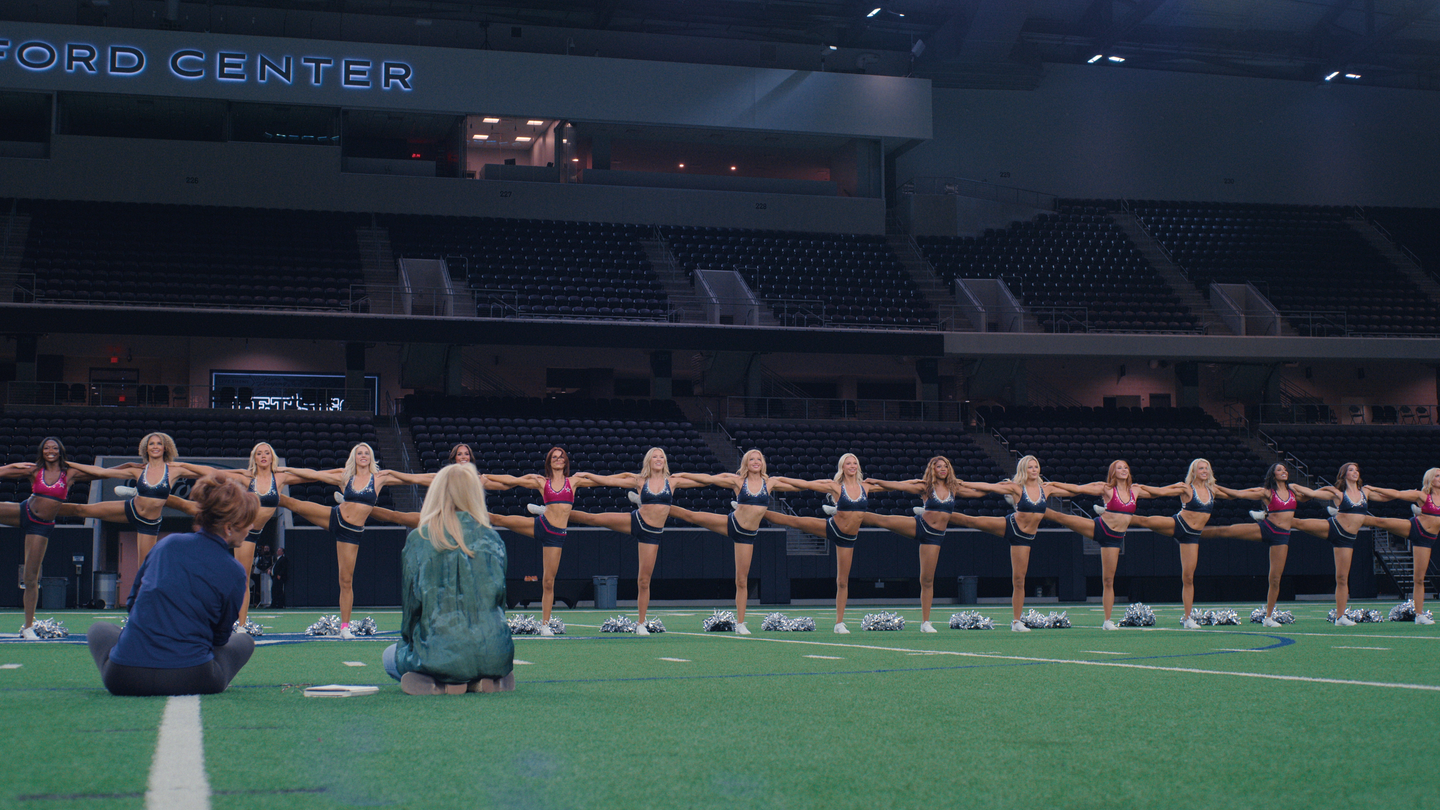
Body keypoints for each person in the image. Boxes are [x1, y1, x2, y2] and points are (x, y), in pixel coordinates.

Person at [86, 475, 258, 696]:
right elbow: (220, 638)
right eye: (247, 522)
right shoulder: (235, 571)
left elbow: (132, 604)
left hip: (123, 677)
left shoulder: (167, 544)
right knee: (244, 640)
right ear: (228, 528)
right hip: (194, 677)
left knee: (99, 629)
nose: (251, 527)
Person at [382, 464, 515, 695]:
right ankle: (484, 678)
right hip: (495, 651)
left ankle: (444, 682)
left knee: (388, 657)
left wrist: (410, 644)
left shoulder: (419, 538)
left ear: (436, 493)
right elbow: (500, 602)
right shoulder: (494, 539)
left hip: (438, 651)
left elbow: (411, 613)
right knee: (482, 654)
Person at [565, 448, 706, 634]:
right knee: (594, 518)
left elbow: (703, 480)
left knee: (644, 580)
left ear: (665, 461)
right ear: (649, 460)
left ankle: (640, 624)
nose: (658, 459)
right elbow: (609, 481)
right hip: (636, 521)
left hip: (652, 533)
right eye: (655, 456)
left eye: (661, 457)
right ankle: (554, 513)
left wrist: (728, 480)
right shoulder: (640, 480)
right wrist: (587, 474)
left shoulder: (672, 481)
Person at [670, 449, 807, 634]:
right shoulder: (738, 481)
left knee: (741, 580)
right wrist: (682, 475)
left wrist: (818, 486)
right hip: (731, 523)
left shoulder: (770, 482)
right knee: (692, 516)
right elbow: (709, 479)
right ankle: (653, 503)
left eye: (759, 459)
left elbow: (797, 485)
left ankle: (740, 623)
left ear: (763, 463)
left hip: (747, 535)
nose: (756, 462)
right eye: (752, 459)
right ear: (746, 463)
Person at [278, 443, 407, 638]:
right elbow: (313, 474)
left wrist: (442, 478)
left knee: (345, 580)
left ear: (371, 457)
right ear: (354, 457)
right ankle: (259, 492)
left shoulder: (379, 478)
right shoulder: (345, 475)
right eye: (359, 453)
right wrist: (281, 470)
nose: (363, 456)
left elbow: (412, 479)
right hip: (334, 516)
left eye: (366, 453)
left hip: (351, 532)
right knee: (294, 503)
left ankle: (344, 628)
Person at [170, 443, 307, 627]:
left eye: (267, 453)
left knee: (241, 578)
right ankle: (149, 496)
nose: (263, 456)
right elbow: (213, 472)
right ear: (254, 458)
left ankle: (240, 626)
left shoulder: (280, 478)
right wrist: (183, 466)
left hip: (251, 533)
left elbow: (313, 475)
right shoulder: (248, 477)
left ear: (272, 457)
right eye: (259, 453)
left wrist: (344, 474)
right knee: (192, 508)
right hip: (237, 527)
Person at [0, 439, 122, 639]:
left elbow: (102, 473)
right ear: (42, 451)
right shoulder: (34, 471)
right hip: (24, 511)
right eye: (47, 448)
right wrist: (9, 466)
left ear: (60, 451)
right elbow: (6, 471)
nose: (50, 451)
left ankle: (28, 627)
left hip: (40, 525)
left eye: (55, 448)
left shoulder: (69, 473)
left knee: (30, 578)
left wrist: (131, 469)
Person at [862, 456, 989, 633]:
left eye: (946, 466)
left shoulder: (954, 487)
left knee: (927, 579)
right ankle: (844, 511)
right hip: (919, 525)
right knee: (883, 520)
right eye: (939, 466)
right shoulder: (926, 486)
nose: (943, 469)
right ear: (933, 469)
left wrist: (997, 488)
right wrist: (876, 480)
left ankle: (925, 622)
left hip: (934, 537)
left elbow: (978, 493)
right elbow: (899, 486)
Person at [1041, 460, 1172, 630]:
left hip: (1114, 539)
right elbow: (1077, 489)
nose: (1124, 470)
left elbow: (1159, 493)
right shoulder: (1106, 488)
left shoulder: (1136, 489)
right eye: (1119, 468)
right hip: (1099, 527)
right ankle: (1033, 505)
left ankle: (1107, 621)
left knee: (1108, 580)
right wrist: (1051, 484)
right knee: (1062, 518)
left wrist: (1181, 488)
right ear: (1113, 472)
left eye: (1126, 467)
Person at [58, 432, 210, 567]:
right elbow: (102, 472)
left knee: (144, 569)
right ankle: (45, 508)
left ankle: (142, 598)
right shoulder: (139, 470)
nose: (155, 446)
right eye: (151, 444)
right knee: (81, 509)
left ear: (165, 448)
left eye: (159, 444)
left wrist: (184, 464)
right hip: (131, 509)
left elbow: (211, 473)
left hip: (149, 523)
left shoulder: (175, 470)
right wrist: (68, 463)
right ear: (146, 448)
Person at [758, 453, 871, 634]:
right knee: (795, 521)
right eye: (848, 463)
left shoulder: (866, 486)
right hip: (833, 527)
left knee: (842, 581)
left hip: (848, 538)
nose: (852, 465)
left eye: (855, 463)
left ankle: (838, 624)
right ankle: (754, 510)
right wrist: (779, 479)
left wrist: (921, 485)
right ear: (842, 467)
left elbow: (892, 486)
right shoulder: (835, 486)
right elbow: (806, 484)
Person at [1203, 462, 1323, 627]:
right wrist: (1214, 486)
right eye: (1279, 470)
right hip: (1266, 528)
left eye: (1285, 469)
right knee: (1228, 530)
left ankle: (1268, 618)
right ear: (1273, 475)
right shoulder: (1267, 492)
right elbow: (1240, 494)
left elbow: (1310, 496)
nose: (1284, 471)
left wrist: (1300, 488)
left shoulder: (1292, 491)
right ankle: (1196, 532)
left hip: (1282, 537)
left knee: (1274, 579)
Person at [946, 455, 1055, 632]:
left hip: (1025, 538)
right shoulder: (1016, 487)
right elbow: (989, 487)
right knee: (973, 521)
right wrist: (964, 483)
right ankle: (934, 514)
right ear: (1023, 470)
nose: (1034, 470)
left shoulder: (1047, 489)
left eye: (1036, 467)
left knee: (1019, 579)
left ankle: (1016, 622)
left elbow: (1072, 489)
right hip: (1011, 525)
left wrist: (1101, 489)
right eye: (1030, 467)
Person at [1125, 459, 1238, 628]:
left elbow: (1235, 494)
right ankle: (1112, 513)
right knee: (1144, 521)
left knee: (1188, 577)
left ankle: (1188, 619)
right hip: (1178, 524)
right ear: (1194, 471)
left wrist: (1260, 495)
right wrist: (1138, 488)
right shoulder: (1186, 488)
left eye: (1207, 468)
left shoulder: (1212, 489)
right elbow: (1161, 492)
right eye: (1201, 468)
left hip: (1192, 536)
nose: (1204, 471)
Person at [1289, 462, 1370, 626]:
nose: (1355, 472)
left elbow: (1389, 494)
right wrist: (1292, 485)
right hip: (1333, 527)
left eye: (1357, 469)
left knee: (1341, 578)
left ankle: (1340, 618)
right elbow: (1312, 493)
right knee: (1299, 523)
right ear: (1344, 474)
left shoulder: (1365, 492)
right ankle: (1269, 517)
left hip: (1346, 539)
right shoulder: (1337, 493)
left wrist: (1411, 494)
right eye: (1351, 470)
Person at [1362, 468, 1440, 625]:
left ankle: (1419, 616)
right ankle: (1346, 516)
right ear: (1431, 479)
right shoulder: (1422, 496)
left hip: (1426, 540)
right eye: (1437, 475)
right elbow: (1396, 494)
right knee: (1380, 521)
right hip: (1414, 527)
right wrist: (1373, 488)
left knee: (1419, 578)